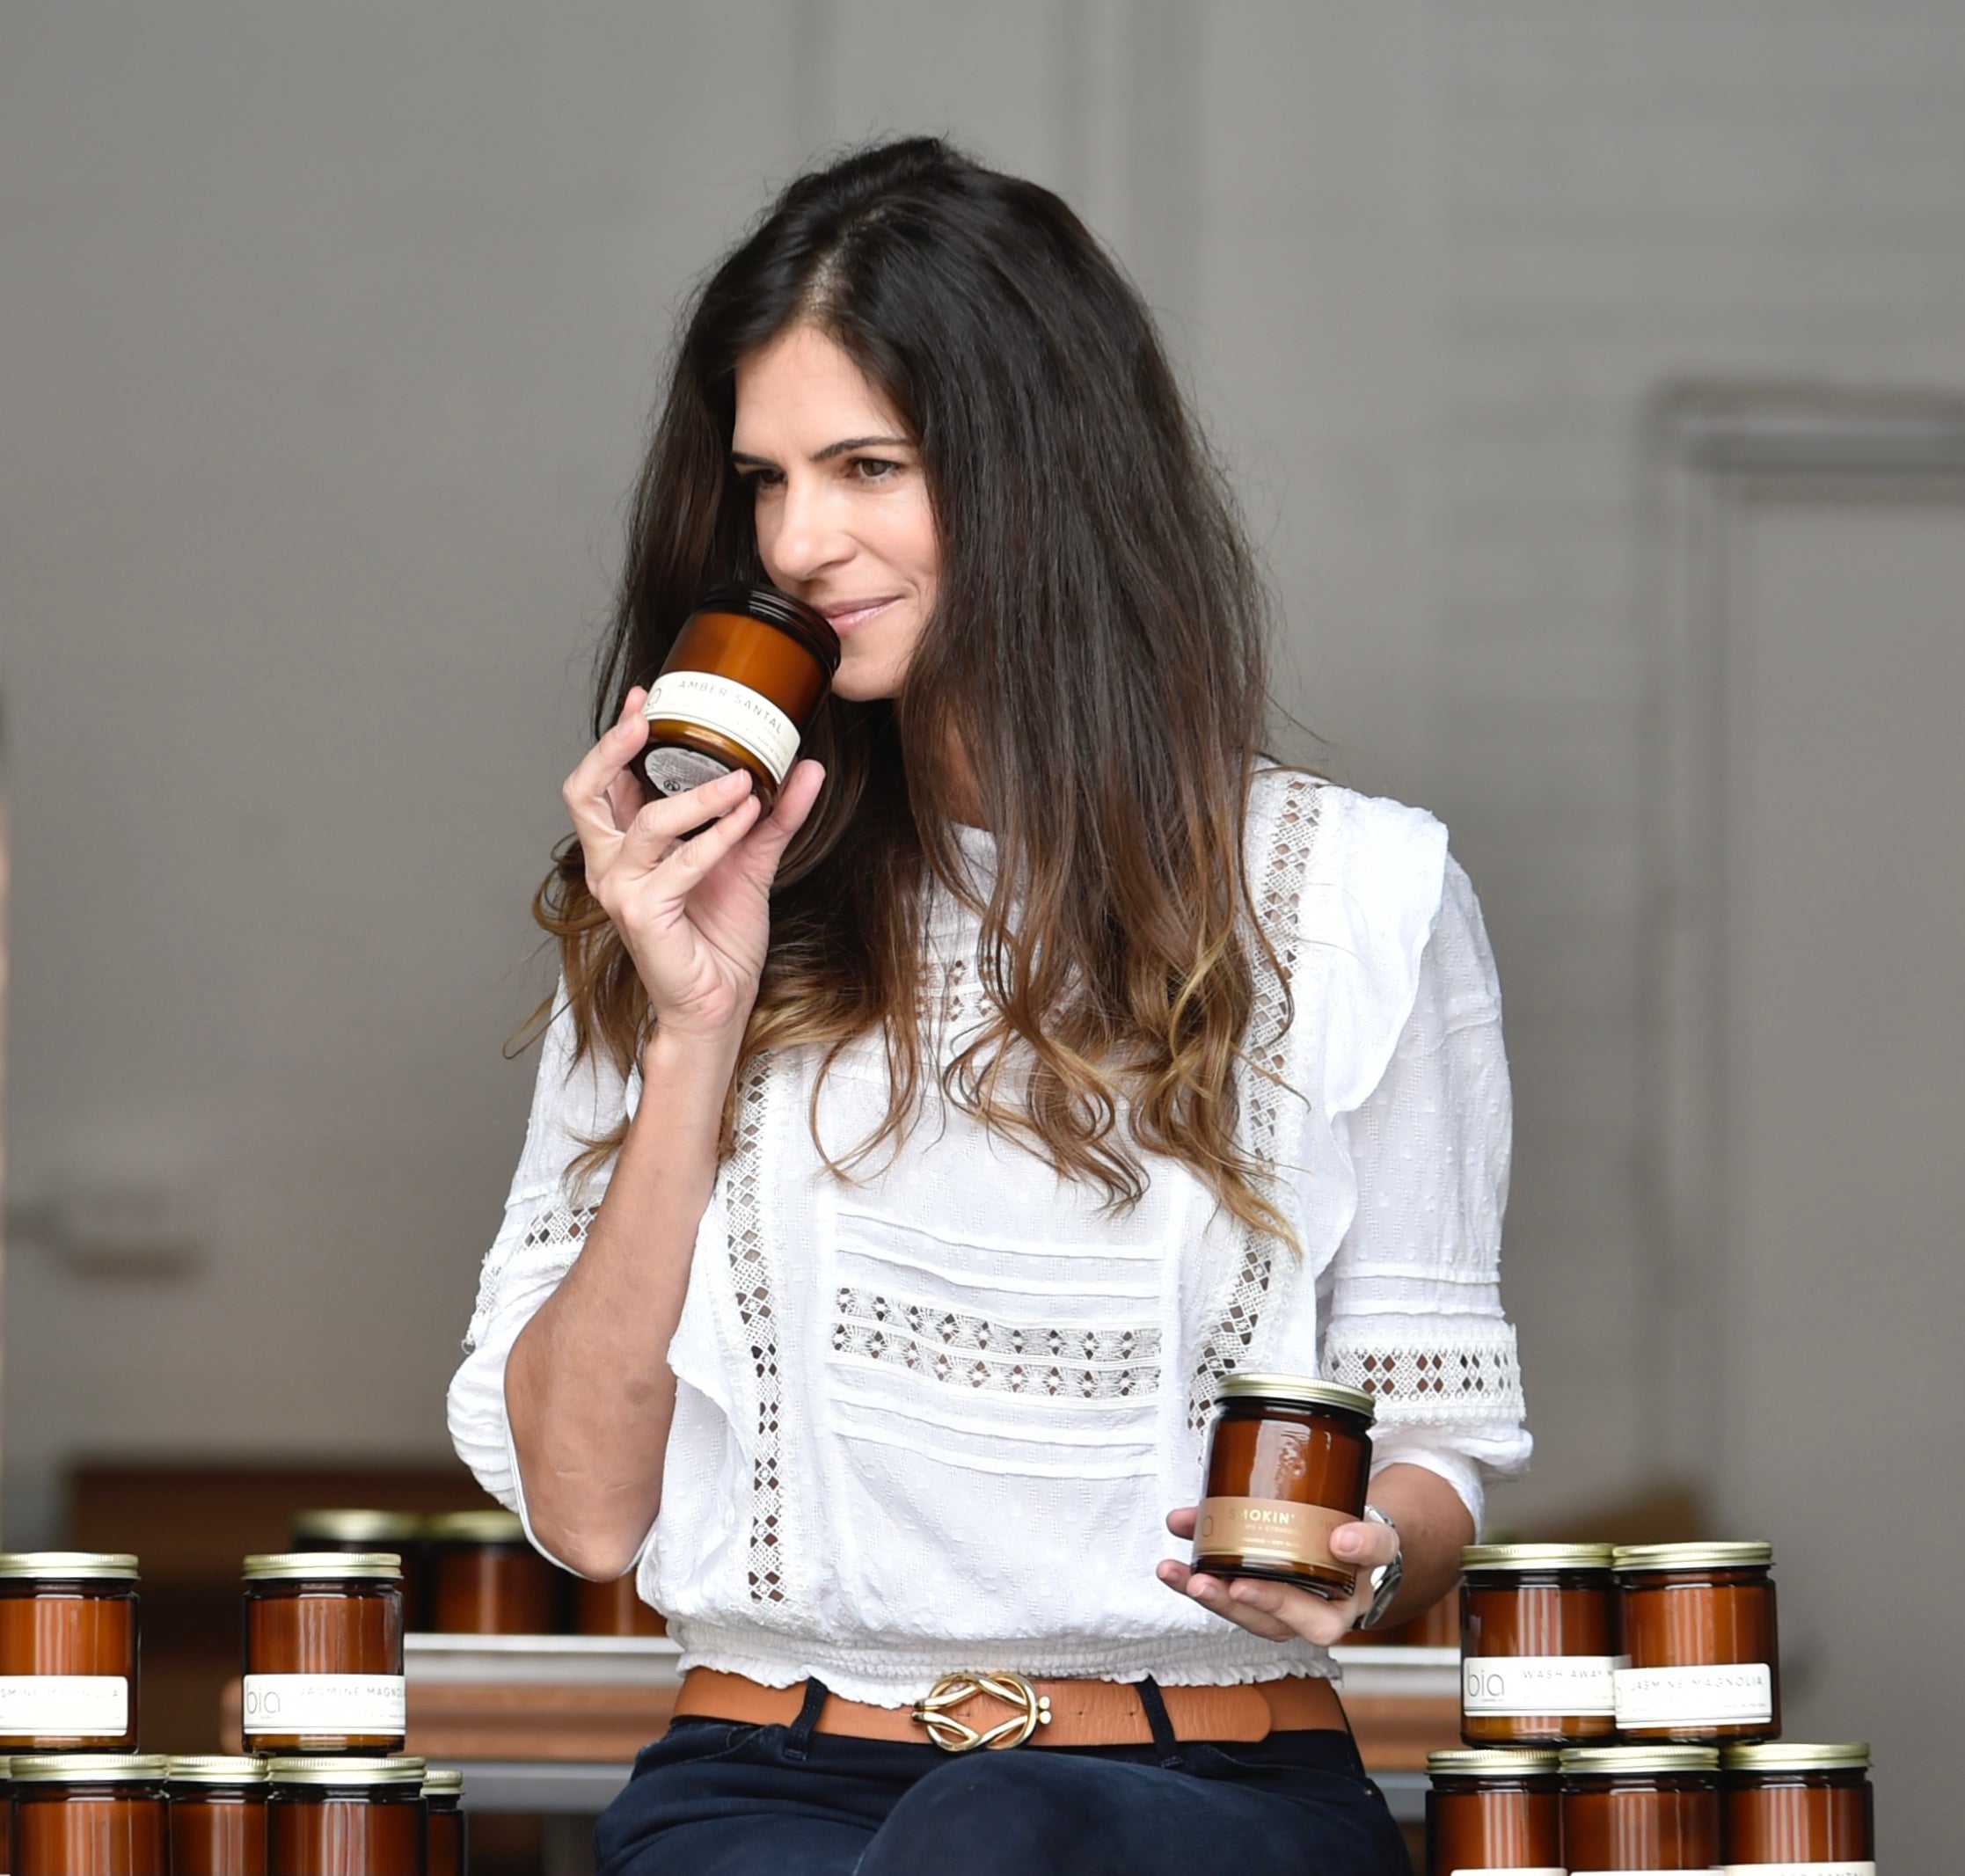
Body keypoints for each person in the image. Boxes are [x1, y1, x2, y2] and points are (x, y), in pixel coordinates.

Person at [448, 137, 1530, 1876]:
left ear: (1041, 475)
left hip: (1208, 1802)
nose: (799, 542)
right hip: (771, 1790)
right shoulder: (682, 885)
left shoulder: (1358, 895)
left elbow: (1433, 1451)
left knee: (1000, 1819)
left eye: (868, 464)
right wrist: (692, 1023)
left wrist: (1362, 1557)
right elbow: (583, 1510)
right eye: (765, 479)